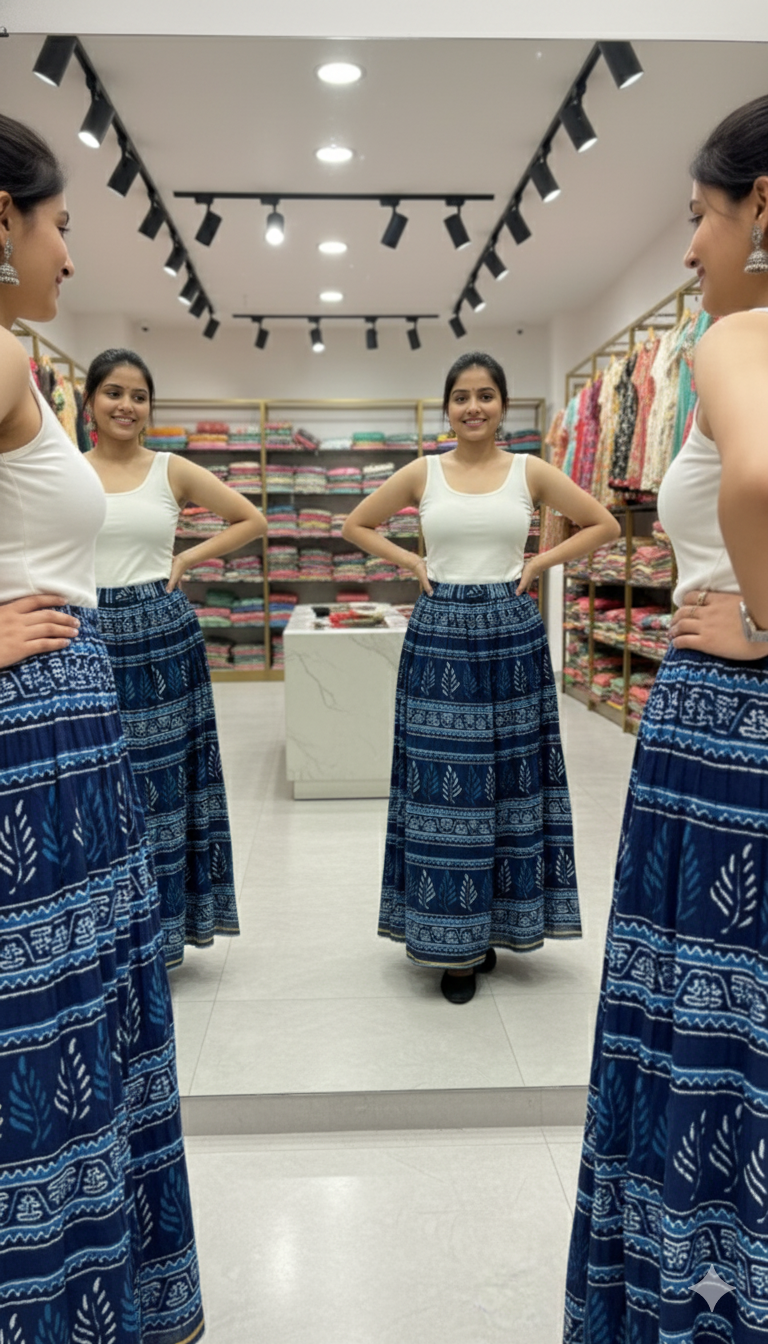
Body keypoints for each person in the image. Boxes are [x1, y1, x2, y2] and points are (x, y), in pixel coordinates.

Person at [564, 95, 768, 1343]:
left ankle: (698, 1299)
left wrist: (760, 624)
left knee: (711, 1020)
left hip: (731, 727)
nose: (689, 249)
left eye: (699, 216)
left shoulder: (737, 342)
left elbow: (754, 475)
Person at [0, 115, 204, 1341]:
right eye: (60, 224)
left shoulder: (24, 359)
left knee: (71, 1029)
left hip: (65, 734)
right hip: (28, 742)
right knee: (46, 1039)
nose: (70, 256)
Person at [343, 352, 620, 1003]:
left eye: (486, 395)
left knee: (509, 785)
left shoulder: (529, 470)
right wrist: (411, 561)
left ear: (502, 404)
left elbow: (604, 523)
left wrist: (541, 561)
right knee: (446, 789)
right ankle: (452, 945)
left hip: (510, 628)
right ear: (447, 407)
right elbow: (355, 525)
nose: (474, 406)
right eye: (462, 396)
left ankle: (494, 925)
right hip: (439, 634)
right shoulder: (422, 472)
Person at [83, 350, 266, 968]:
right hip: (87, 635)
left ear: (150, 408)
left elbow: (250, 519)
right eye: (113, 393)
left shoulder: (171, 469)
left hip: (162, 637)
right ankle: (107, 935)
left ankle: (161, 937)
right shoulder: (67, 472)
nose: (126, 406)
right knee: (98, 787)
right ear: (89, 402)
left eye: (138, 396)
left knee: (162, 791)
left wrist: (187, 560)